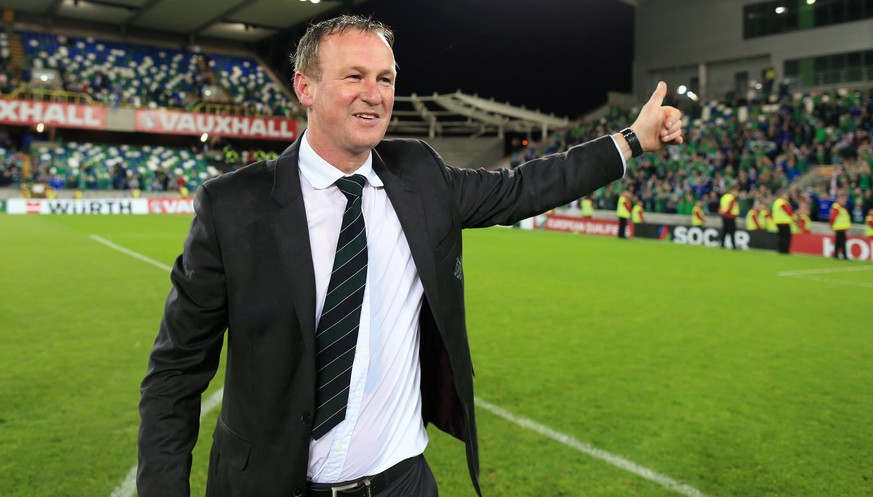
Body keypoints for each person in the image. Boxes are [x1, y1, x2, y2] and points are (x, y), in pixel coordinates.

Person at [136, 15, 684, 497]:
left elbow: (522, 187)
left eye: (386, 79)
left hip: (402, 484)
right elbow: (175, 372)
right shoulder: (233, 205)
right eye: (354, 76)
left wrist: (630, 140)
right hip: (270, 485)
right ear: (305, 86)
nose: (373, 93)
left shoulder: (420, 176)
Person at [829, 194, 851, 259]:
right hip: (840, 227)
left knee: (838, 242)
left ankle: (836, 254)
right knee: (842, 242)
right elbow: (833, 217)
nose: (844, 202)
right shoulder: (837, 207)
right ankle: (844, 255)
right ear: (840, 200)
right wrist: (831, 224)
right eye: (843, 201)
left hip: (841, 227)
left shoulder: (841, 208)